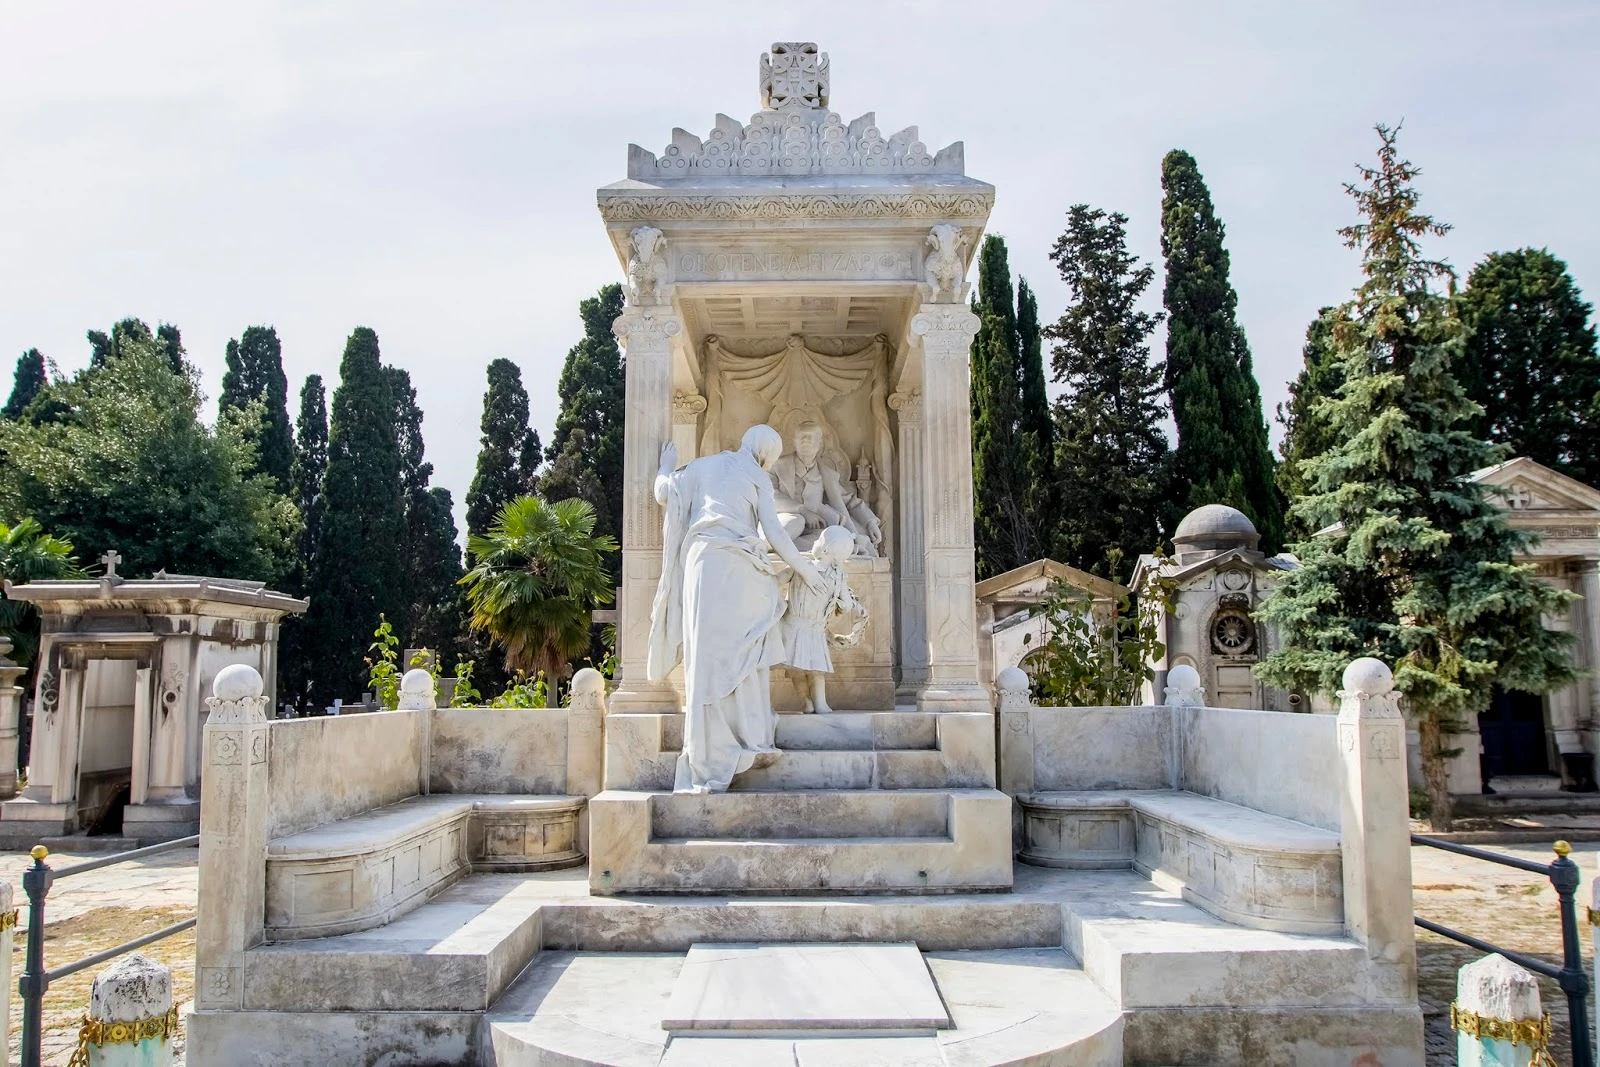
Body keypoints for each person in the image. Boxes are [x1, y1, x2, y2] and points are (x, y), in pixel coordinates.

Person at [647, 424, 823, 793]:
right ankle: (749, 735)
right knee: (746, 650)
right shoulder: (758, 477)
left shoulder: (700, 467)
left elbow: (663, 493)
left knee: (706, 658)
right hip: (740, 568)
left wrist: (666, 465)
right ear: (766, 456)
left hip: (702, 564)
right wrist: (805, 569)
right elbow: (774, 534)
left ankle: (709, 753)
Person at [780, 525, 868, 714]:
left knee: (796, 670)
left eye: (818, 540)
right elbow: (846, 605)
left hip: (794, 626)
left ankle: (807, 702)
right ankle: (819, 704)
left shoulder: (800, 566)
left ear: (825, 549)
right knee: (816, 671)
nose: (814, 542)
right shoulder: (838, 577)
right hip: (814, 629)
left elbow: (777, 580)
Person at [769, 421, 883, 557]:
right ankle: (774, 545)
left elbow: (850, 501)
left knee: (843, 538)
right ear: (794, 441)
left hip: (813, 532)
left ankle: (791, 549)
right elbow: (769, 495)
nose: (806, 440)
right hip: (786, 522)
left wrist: (870, 522)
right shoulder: (777, 466)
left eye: (810, 437)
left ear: (820, 443)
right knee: (795, 523)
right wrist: (802, 510)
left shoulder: (827, 475)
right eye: (802, 437)